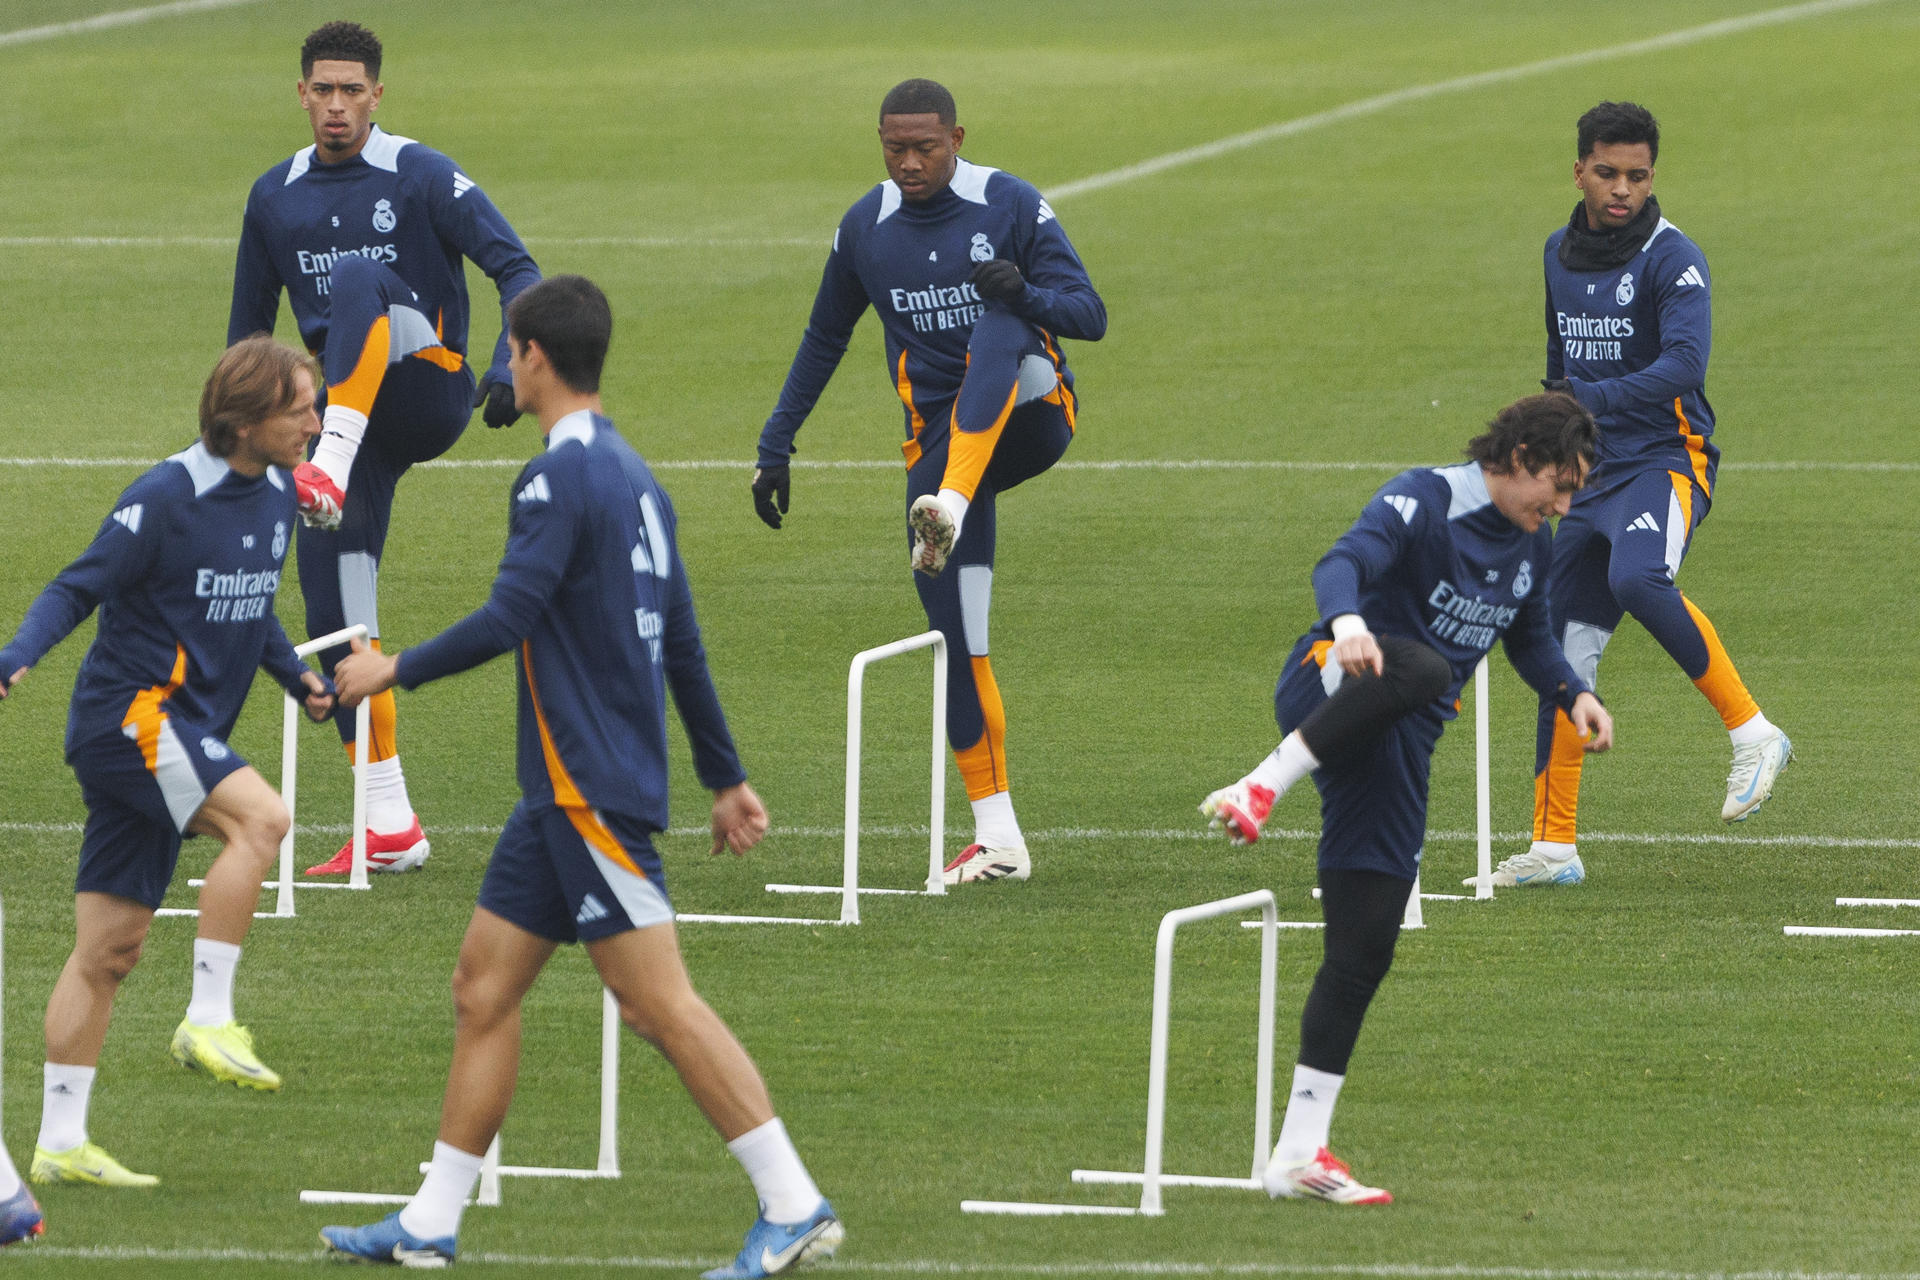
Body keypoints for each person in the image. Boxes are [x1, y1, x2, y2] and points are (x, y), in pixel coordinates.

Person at [321, 276, 841, 1276]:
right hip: (558, 795)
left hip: (585, 785)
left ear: (530, 357)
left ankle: (794, 1200)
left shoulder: (555, 481)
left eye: (506, 354)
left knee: (657, 1003)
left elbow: (509, 613)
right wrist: (724, 775)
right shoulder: (637, 476)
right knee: (482, 988)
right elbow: (681, 637)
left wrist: (392, 666)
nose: (499, 371)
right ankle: (432, 1219)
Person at [1200, 394, 1614, 1204]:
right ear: (1521, 456)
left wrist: (1573, 695)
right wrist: (1348, 621)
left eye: (1570, 494)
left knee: (1366, 945)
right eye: (1556, 487)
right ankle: (1262, 782)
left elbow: (1529, 637)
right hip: (1329, 682)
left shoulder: (1533, 545)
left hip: (1398, 747)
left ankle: (1298, 1153)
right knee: (1421, 667)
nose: (1561, 507)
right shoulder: (1425, 498)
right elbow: (1340, 561)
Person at [750, 78, 1106, 885]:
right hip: (934, 449)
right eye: (894, 148)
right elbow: (824, 335)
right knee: (959, 642)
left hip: (1032, 412)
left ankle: (948, 502)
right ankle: (1000, 839)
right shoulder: (865, 228)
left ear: (957, 137)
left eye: (926, 148)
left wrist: (1030, 293)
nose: (909, 163)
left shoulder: (1010, 203)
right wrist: (777, 441)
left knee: (1001, 319)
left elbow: (1091, 313)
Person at [0, 337, 336, 1188]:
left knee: (108, 950)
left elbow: (251, 603)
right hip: (132, 719)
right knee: (262, 818)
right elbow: (77, 586)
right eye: (301, 408)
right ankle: (209, 1018)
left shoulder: (276, 500)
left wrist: (297, 676)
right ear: (244, 415)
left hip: (173, 731)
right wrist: (18, 654)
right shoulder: (165, 496)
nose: (315, 422)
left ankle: (62, 1143)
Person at [228, 20, 542, 876]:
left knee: (361, 281)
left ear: (377, 94)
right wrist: (227, 462)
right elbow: (248, 342)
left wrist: (510, 362)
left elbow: (518, 270)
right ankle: (389, 823)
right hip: (340, 423)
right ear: (301, 94)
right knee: (337, 621)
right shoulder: (272, 197)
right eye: (322, 90)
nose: (336, 106)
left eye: (352, 91)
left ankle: (328, 460)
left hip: (427, 384)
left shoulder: (421, 173)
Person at [1496, 101, 1790, 889]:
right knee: (1562, 650)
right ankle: (1554, 846)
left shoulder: (1674, 259)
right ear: (1579, 171)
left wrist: (1594, 401)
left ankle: (1754, 732)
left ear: (1651, 176)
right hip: (1591, 471)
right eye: (1607, 173)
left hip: (1668, 461)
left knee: (1637, 577)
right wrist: (1555, 449)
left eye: (1638, 175)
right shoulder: (1558, 255)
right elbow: (1561, 366)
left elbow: (1686, 368)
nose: (1622, 189)